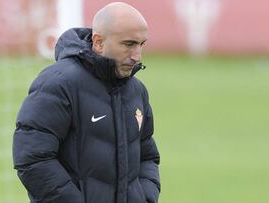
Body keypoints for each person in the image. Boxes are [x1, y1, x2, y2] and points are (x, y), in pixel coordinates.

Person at [12, 2, 160, 203]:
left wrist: (145, 198)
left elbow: (147, 156)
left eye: (141, 44)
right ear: (98, 42)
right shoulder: (58, 83)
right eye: (129, 44)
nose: (137, 56)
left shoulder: (137, 91)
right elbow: (32, 158)